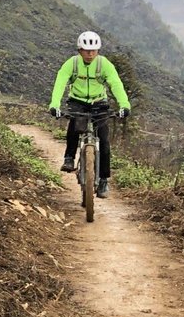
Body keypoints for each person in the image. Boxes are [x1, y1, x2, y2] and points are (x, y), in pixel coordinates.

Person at [49, 31, 130, 198]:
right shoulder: (72, 64)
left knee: (104, 141)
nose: (90, 54)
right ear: (80, 50)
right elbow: (60, 83)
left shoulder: (104, 64)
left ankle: (104, 180)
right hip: (77, 101)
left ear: (98, 50)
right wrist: (54, 104)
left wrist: (124, 105)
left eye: (93, 50)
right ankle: (69, 158)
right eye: (86, 50)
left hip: (99, 103)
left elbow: (116, 84)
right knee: (74, 126)